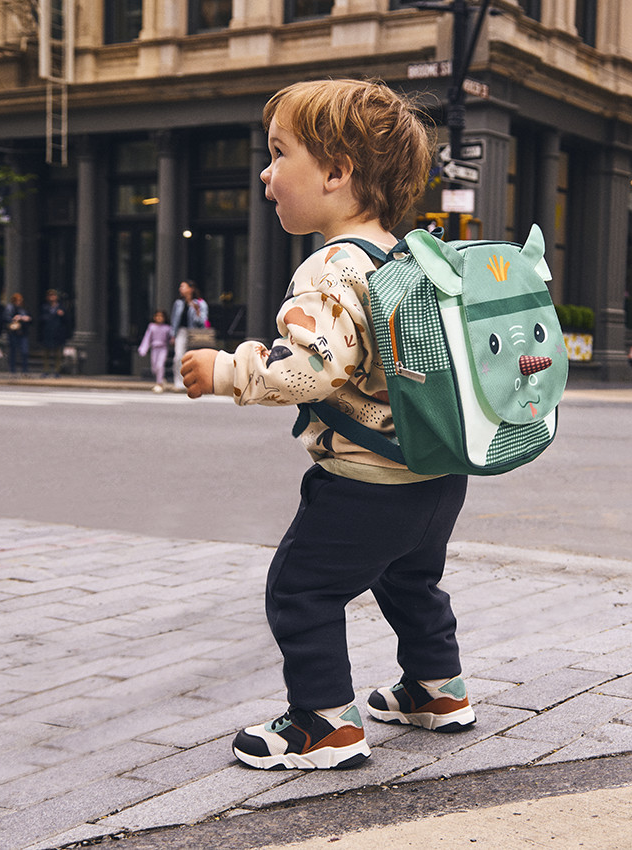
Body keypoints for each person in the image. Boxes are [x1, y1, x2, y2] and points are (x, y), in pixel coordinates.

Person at [181, 79, 473, 771]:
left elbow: (314, 368)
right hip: (437, 473)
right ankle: (437, 690)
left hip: (364, 482)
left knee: (301, 589)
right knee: (410, 581)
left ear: (337, 172)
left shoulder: (332, 268)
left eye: (279, 153)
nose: (266, 173)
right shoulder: (412, 257)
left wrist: (229, 370)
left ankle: (324, 723)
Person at [170, 280, 208, 390]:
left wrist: (197, 311)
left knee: (193, 359)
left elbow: (203, 321)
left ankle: (194, 382)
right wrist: (173, 335)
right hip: (181, 332)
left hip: (194, 333)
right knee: (178, 357)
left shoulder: (200, 303)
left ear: (191, 289)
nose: (180, 289)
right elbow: (174, 320)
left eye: (183, 286)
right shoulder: (178, 303)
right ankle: (179, 381)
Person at [138, 309, 174, 392]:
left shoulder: (167, 328)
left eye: (161, 316)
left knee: (160, 365)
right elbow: (147, 338)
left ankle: (159, 383)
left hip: (163, 348)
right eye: (157, 316)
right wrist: (143, 349)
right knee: (154, 368)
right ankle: (161, 379)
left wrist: (172, 341)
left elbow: (170, 338)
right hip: (154, 349)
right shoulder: (152, 327)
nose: (159, 318)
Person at [39, 289, 68, 377]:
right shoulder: (45, 307)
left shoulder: (61, 308)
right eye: (50, 295)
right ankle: (46, 370)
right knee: (46, 353)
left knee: (57, 353)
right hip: (47, 332)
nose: (52, 297)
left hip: (58, 332)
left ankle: (57, 371)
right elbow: (42, 318)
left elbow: (66, 321)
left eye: (54, 295)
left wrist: (62, 315)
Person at [3, 293, 32, 374]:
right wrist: (14, 319)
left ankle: (25, 369)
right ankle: (12, 369)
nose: (19, 302)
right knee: (13, 351)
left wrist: (27, 319)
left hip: (23, 332)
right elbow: (5, 318)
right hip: (13, 332)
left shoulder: (24, 309)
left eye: (20, 301)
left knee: (24, 351)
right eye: (17, 301)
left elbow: (30, 318)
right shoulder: (9, 308)